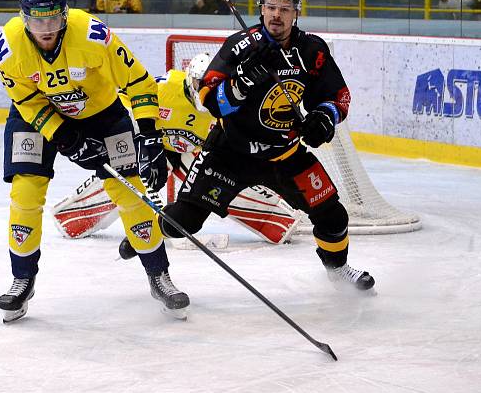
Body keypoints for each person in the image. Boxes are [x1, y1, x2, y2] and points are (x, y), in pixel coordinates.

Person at [158, 0, 375, 292]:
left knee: (333, 215)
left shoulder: (311, 50)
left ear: (296, 12)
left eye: (284, 8)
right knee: (183, 222)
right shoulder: (241, 46)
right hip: (230, 153)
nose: (277, 15)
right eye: (271, 7)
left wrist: (322, 118)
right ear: (261, 9)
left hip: (283, 154)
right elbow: (208, 99)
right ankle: (144, 237)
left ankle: (337, 270)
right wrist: (243, 81)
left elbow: (338, 96)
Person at [0, 0, 189, 323]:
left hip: (102, 114)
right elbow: (24, 99)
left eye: (53, 20)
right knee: (26, 190)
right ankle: (22, 278)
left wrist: (149, 136)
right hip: (36, 116)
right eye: (38, 22)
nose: (46, 30)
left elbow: (140, 83)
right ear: (24, 19)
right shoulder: (7, 47)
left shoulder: (92, 35)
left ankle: (159, 274)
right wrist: (65, 137)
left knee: (129, 190)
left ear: (65, 16)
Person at [53, 53, 303, 248]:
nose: (204, 87)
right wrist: (135, 150)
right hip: (152, 149)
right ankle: (72, 217)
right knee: (121, 183)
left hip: (190, 154)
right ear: (189, 78)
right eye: (199, 82)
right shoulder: (164, 88)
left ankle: (278, 219)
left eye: (211, 83)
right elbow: (124, 107)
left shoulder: (224, 104)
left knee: (220, 181)